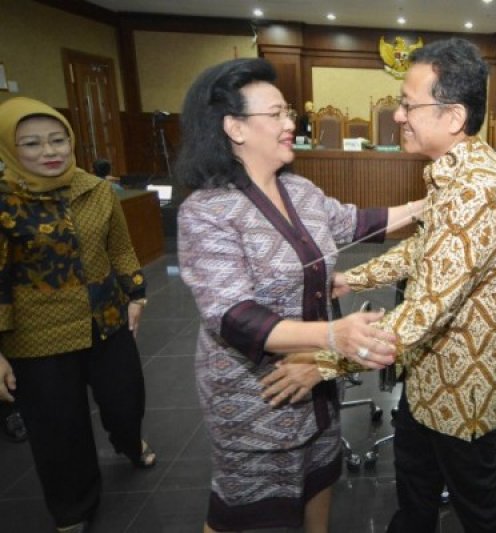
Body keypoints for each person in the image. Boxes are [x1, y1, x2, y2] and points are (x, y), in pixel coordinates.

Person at [264, 38, 496, 533]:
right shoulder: (454, 174)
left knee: (482, 506)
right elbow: (424, 251)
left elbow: (425, 310)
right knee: (414, 491)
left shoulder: (477, 190)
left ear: (453, 116)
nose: (399, 116)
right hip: (428, 377)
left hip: (463, 392)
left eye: (409, 105)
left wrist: (323, 362)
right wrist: (350, 278)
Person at [174, 57, 423, 533]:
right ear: (235, 128)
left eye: (289, 113)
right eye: (278, 114)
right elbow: (231, 315)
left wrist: (429, 203)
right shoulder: (207, 212)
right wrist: (333, 334)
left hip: (315, 387)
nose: (292, 124)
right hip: (255, 398)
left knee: (317, 486)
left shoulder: (299, 190)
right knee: (247, 514)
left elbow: (356, 222)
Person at [0, 97, 155, 533]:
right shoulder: (6, 201)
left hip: (105, 319)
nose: (49, 152)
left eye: (57, 140)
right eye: (31, 144)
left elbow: (120, 248)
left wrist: (136, 296)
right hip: (37, 335)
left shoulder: (96, 188)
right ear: (11, 150)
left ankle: (127, 441)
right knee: (58, 428)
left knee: (126, 400)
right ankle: (73, 508)